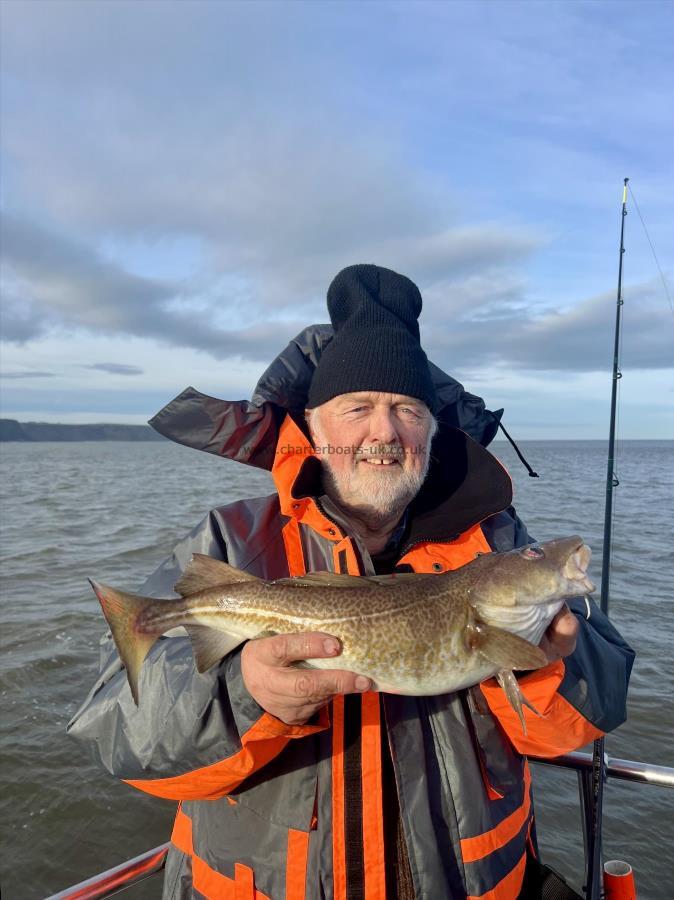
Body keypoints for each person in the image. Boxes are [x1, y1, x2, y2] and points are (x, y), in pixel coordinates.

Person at [69, 264, 634, 900]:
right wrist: (246, 693)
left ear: (431, 431)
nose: (384, 432)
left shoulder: (497, 541)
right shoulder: (231, 540)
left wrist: (541, 663)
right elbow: (120, 737)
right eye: (356, 408)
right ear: (314, 427)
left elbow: (599, 708)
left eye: (407, 410)